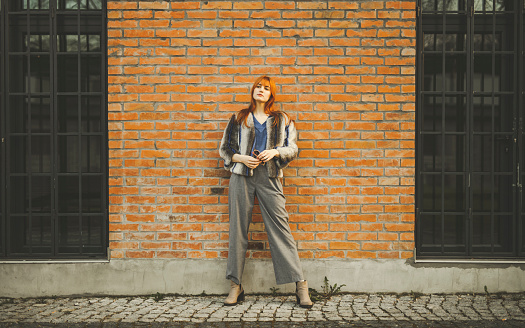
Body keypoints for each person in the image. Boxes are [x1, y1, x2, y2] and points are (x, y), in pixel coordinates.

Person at [219, 76, 313, 308]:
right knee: (237, 231)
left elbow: (293, 148)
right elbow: (225, 148)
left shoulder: (281, 119)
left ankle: (301, 285)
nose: (261, 90)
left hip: (269, 177)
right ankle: (235, 286)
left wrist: (275, 153)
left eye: (266, 88)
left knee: (281, 229)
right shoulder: (239, 117)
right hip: (241, 176)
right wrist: (241, 158)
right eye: (258, 87)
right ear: (252, 91)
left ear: (272, 94)